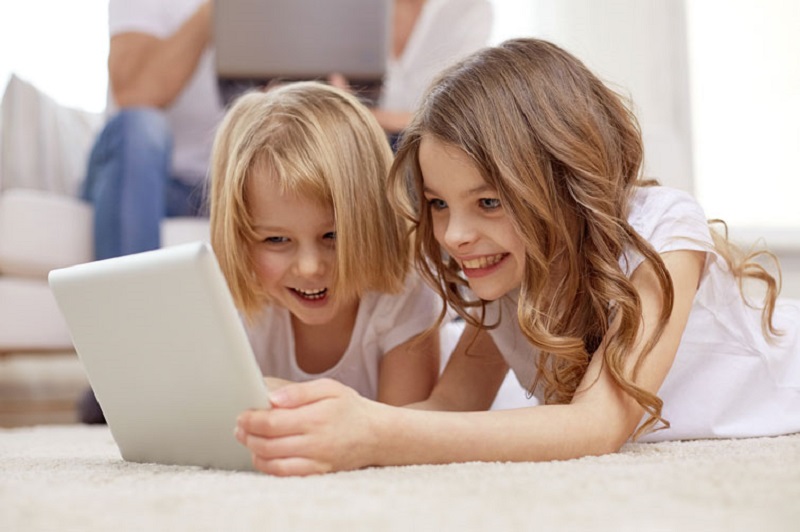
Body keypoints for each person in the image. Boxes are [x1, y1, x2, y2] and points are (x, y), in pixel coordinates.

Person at [233, 38, 800, 476]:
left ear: (561, 179)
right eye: (437, 204)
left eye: (487, 201)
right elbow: (451, 406)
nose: (454, 235)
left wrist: (376, 433)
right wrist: (306, 410)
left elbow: (598, 424)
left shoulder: (664, 232)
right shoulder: (502, 279)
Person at [208, 82, 442, 406]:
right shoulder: (236, 307)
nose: (309, 267)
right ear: (239, 239)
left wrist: (283, 396)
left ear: (377, 220)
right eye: (276, 239)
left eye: (333, 236)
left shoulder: (405, 290)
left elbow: (402, 427)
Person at [77, 0, 223, 423]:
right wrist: (217, 14)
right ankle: (125, 371)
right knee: (141, 127)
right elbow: (135, 93)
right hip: (139, 178)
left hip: (220, 183)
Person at [331, 0, 493, 141]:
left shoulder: (470, 10)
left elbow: (456, 114)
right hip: (362, 137)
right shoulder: (361, 9)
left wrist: (360, 115)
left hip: (430, 142)